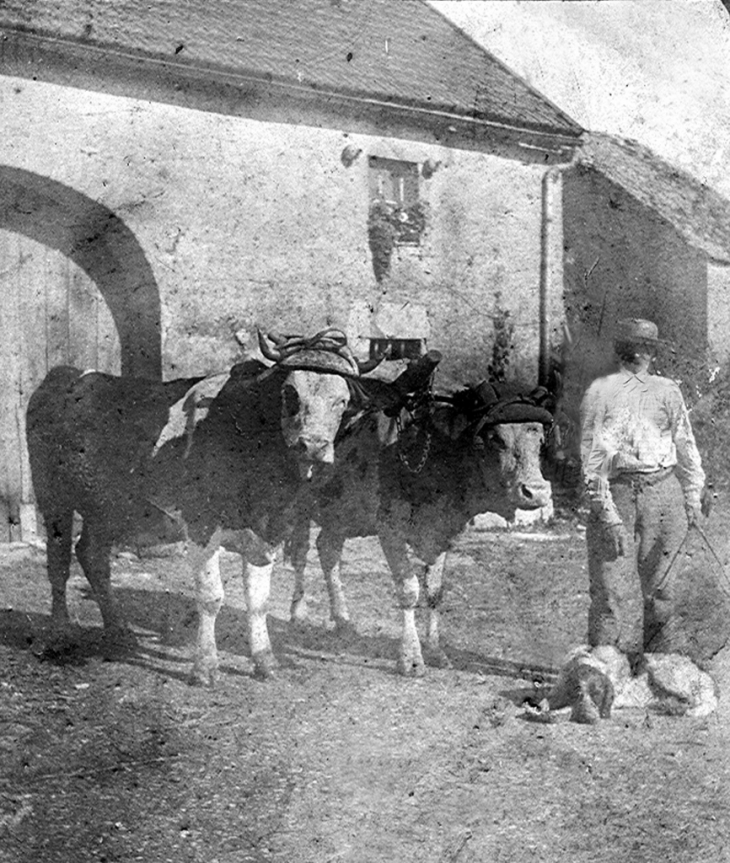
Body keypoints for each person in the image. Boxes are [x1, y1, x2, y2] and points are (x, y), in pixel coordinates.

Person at [579, 318, 707, 664]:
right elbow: (593, 461)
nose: (640, 355)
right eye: (633, 349)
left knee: (663, 589)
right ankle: (606, 668)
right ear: (621, 352)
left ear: (653, 354)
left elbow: (686, 446)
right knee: (608, 589)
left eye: (646, 349)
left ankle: (658, 666)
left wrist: (692, 497)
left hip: (664, 493)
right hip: (617, 493)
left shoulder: (668, 391)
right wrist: (608, 515)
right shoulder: (601, 392)